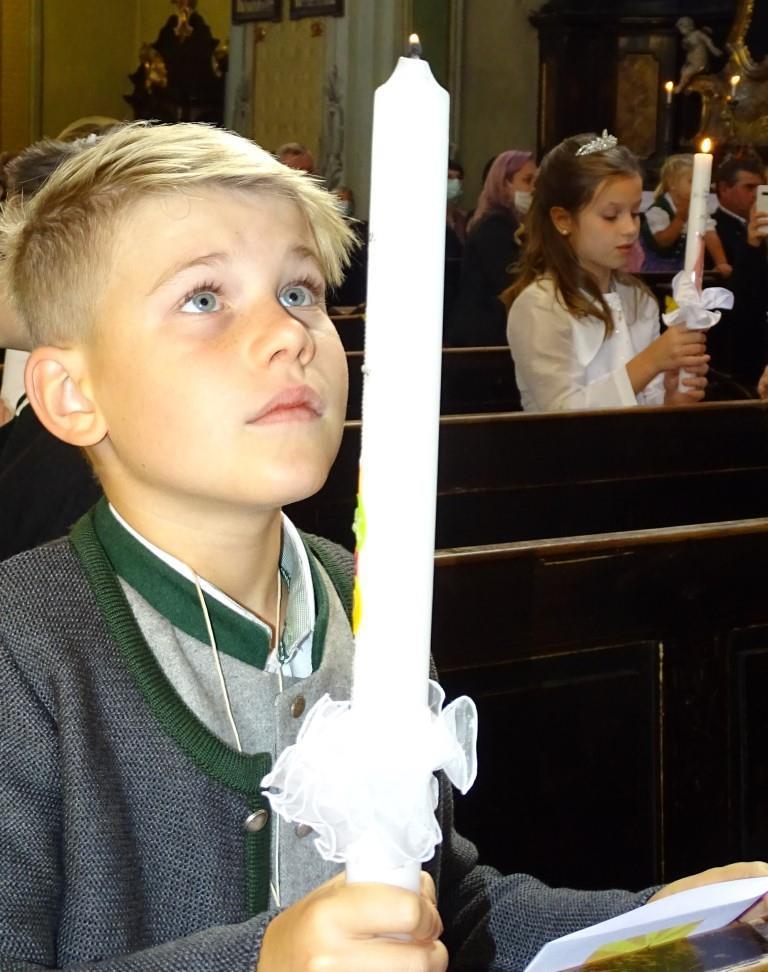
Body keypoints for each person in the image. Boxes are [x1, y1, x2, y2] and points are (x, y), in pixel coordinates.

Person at [1, 121, 766, 972]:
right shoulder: (22, 647)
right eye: (204, 299)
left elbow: (448, 912)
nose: (289, 333)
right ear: (71, 394)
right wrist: (262, 962)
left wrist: (664, 923)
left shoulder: (366, 601)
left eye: (299, 292)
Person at [505, 131, 710, 412]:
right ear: (563, 219)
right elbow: (562, 412)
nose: (630, 228)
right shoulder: (540, 306)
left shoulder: (638, 299)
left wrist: (670, 400)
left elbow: (646, 402)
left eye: (635, 213)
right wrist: (651, 361)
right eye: (611, 216)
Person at [448, 149, 536, 346]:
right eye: (527, 180)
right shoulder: (494, 226)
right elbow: (512, 283)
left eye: (536, 182)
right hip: (482, 337)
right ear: (504, 184)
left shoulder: (513, 224)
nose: (533, 189)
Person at [708, 156, 768, 385]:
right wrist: (751, 246)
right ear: (724, 189)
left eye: (761, 189)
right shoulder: (711, 228)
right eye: (749, 187)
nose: (755, 195)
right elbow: (734, 289)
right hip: (735, 333)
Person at [640, 153, 729, 273]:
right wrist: (680, 219)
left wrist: (721, 262)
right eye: (692, 181)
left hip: (684, 266)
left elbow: (709, 235)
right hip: (655, 267)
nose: (699, 186)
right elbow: (663, 242)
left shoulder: (700, 208)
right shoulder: (659, 210)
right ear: (672, 183)